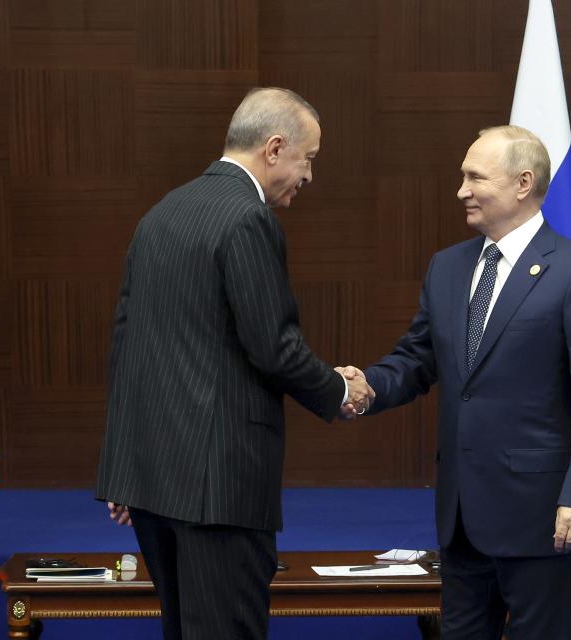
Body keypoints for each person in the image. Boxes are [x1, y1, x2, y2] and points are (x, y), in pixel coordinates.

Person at [95, 87, 374, 640]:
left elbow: (128, 346)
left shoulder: (162, 212)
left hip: (154, 484)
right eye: (308, 159)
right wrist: (338, 391)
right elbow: (273, 346)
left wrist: (125, 470)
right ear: (275, 148)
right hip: (220, 488)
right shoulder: (247, 218)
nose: (309, 176)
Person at [341, 125, 571, 639]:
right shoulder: (447, 267)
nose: (462, 190)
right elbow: (417, 359)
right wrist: (366, 387)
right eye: (462, 176)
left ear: (523, 183)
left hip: (545, 517)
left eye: (475, 177)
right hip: (462, 517)